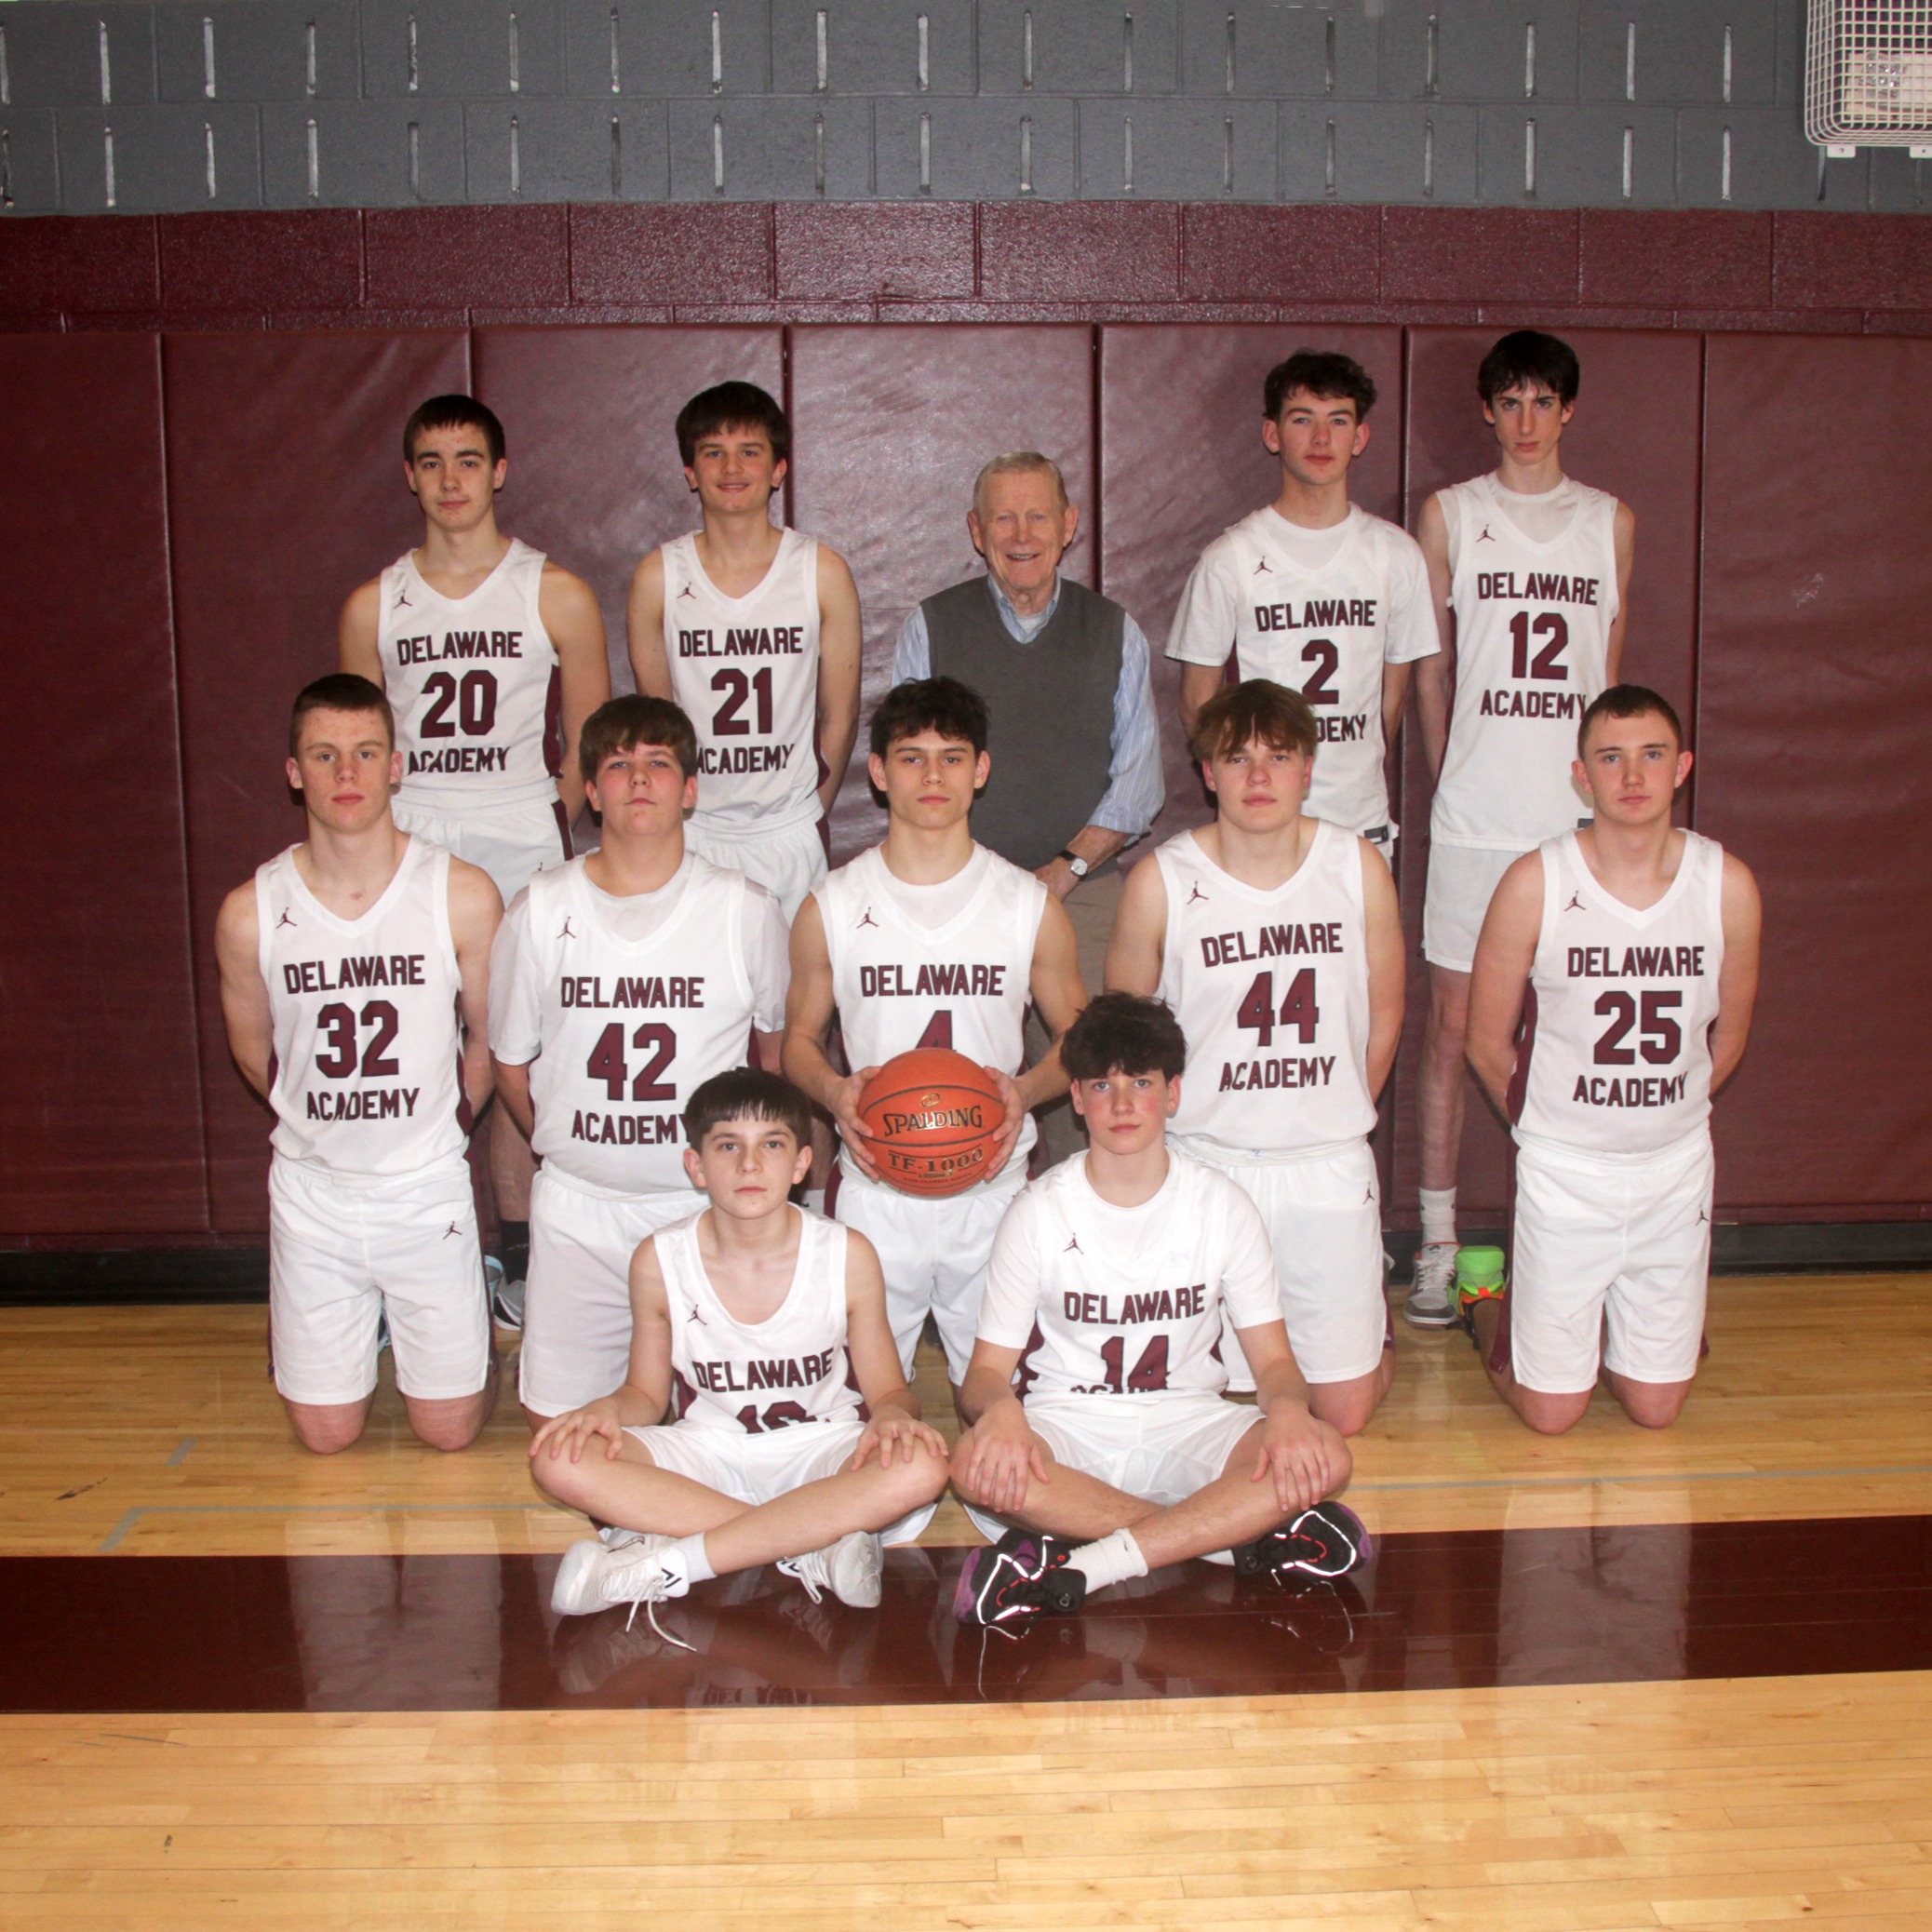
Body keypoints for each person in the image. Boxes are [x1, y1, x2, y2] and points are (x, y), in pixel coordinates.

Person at [947, 994, 1367, 1632]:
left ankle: (1084, 1563)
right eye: (1102, 1084)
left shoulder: (1222, 1206)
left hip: (1187, 1423)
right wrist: (1001, 1410)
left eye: (1141, 1082)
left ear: (1173, 1093)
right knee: (974, 1465)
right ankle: (1229, 1539)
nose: (1122, 1104)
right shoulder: (1038, 1210)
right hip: (1070, 1428)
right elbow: (984, 1375)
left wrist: (1286, 1411)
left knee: (1326, 1452)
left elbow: (1276, 1362)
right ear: (1078, 1099)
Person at [339, 393, 612, 1326]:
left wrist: (541, 824)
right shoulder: (375, 602)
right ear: (408, 476)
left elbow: (591, 743)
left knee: (516, 1055)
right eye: (430, 462)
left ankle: (522, 1259)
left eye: (467, 460)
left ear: (499, 471)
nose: (449, 480)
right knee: (413, 1052)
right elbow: (355, 737)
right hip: (411, 830)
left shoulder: (554, 590)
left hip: (519, 826)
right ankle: (410, 1259)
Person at [532, 1069, 950, 1622]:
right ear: (697, 1166)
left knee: (920, 1466)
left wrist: (895, 1417)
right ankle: (810, 1543)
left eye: (771, 1145)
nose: (749, 1165)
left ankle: (670, 1564)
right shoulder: (660, 1258)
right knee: (560, 1457)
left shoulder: (845, 1253)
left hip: (819, 1452)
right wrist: (605, 1409)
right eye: (728, 1145)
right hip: (709, 1451)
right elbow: (644, 1394)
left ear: (802, 1163)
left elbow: (890, 1390)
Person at [1407, 330, 1637, 1327]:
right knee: (1455, 1032)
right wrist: (1449, 773)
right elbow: (1430, 672)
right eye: (1510, 401)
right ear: (1488, 410)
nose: (1528, 419)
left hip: (1575, 827)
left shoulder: (1611, 522)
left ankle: (1576, 1235)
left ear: (1569, 411)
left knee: (1574, 1033)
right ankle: (1438, 1242)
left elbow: (1611, 680)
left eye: (1545, 401)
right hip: (1475, 818)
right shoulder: (1452, 515)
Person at [213, 674, 502, 1456]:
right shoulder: (251, 912)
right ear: (293, 772)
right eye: (326, 755)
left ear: (397, 765)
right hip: (316, 1194)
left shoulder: (461, 893)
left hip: (425, 1185)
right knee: (326, 1438)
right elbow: (251, 1052)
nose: (347, 774)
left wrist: (448, 1123)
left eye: (366, 753)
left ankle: (466, 1329)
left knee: (448, 1435)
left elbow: (488, 1038)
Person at [1107, 680, 1405, 1435]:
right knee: (1207, 1408)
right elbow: (1125, 1040)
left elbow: (1389, 1007)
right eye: (1237, 759)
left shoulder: (1356, 865)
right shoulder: (1162, 882)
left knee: (1341, 1417)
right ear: (1207, 772)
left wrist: (1335, 1114)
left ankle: (1372, 1333)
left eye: (1279, 757)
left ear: (1309, 767)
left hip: (1326, 1162)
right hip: (1209, 1161)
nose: (1260, 777)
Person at [1463, 686, 1761, 1433]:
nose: (1633, 776)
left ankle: (1624, 1333)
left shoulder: (1727, 885)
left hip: (1675, 1167)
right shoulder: (1536, 882)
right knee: (1552, 1415)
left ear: (1682, 767)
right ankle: (1487, 1311)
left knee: (1655, 1410)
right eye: (1611, 758)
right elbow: (1485, 1040)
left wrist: (1662, 1115)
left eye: (1652, 755)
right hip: (1567, 1172)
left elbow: (1729, 1040)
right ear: (1580, 775)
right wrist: (1549, 1129)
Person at [783, 677, 1087, 1402]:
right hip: (874, 1186)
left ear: (980, 771)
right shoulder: (833, 904)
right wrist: (834, 1090)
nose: (932, 775)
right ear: (880, 774)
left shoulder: (1027, 905)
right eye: (912, 757)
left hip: (993, 1183)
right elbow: (796, 1041)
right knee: (856, 1405)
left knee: (1007, 1402)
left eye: (952, 757)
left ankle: (1002, 1512)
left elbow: (1080, 1038)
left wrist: (1024, 1092)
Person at [489, 696, 791, 1426]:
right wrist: (573, 1142)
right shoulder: (539, 908)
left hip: (701, 1208)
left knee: (732, 1429)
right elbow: (510, 1068)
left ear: (690, 789)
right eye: (618, 765)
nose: (639, 780)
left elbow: (774, 1064)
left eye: (659, 763)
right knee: (558, 1434)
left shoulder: (744, 909)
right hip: (577, 1204)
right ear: (591, 793)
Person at [894, 452, 1163, 1163]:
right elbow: (909, 767)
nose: (1022, 533)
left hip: (1081, 891)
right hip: (954, 898)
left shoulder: (1113, 629)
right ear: (976, 531)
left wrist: (1063, 871)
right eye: (1003, 517)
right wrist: (980, 886)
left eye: (1038, 514)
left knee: (1098, 1085)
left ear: (1069, 524)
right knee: (948, 1095)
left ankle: (1093, 1259)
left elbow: (1138, 787)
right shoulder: (932, 626)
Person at [1167, 349, 1437, 855]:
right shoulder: (1231, 558)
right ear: (1272, 434)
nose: (1320, 438)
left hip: (1360, 822)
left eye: (1338, 420)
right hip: (1264, 825)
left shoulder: (1396, 554)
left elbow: (1390, 704)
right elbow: (1196, 704)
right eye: (1302, 419)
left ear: (1360, 437)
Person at [626, 381, 864, 919]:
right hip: (694, 827)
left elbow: (841, 713)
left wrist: (809, 812)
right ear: (690, 472)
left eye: (749, 452)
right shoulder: (658, 576)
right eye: (713, 453)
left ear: (778, 468)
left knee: (793, 1001)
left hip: (789, 829)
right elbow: (659, 723)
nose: (731, 468)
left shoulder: (820, 571)